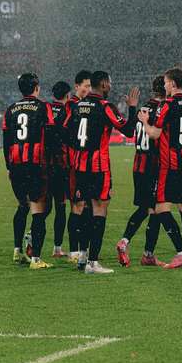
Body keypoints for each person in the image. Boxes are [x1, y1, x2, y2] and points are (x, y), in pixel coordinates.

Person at [64, 70, 139, 274]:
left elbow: (65, 132)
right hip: (98, 168)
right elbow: (130, 130)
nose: (111, 86)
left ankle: (82, 256)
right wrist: (132, 108)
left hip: (79, 167)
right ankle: (93, 263)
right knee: (99, 210)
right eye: (110, 83)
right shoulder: (105, 107)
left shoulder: (77, 105)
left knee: (83, 210)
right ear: (104, 84)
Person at [138, 67, 182, 269]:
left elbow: (154, 134)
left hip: (170, 165)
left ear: (172, 84)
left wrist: (144, 122)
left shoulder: (167, 105)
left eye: (166, 82)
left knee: (161, 208)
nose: (165, 86)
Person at [2, 73, 56, 269]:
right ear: (36, 87)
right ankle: (36, 259)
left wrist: (8, 166)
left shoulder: (10, 110)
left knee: (22, 206)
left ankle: (17, 251)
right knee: (38, 210)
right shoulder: (43, 107)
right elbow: (50, 135)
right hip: (35, 165)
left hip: (16, 165)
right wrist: (50, 163)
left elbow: (6, 141)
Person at [116, 75, 166, 267]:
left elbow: (129, 131)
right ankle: (148, 254)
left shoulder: (143, 108)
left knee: (145, 208)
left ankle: (125, 241)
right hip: (154, 165)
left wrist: (132, 107)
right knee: (155, 210)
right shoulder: (162, 110)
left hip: (138, 165)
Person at [63, 70, 92, 267]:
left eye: (90, 86)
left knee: (87, 205)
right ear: (77, 86)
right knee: (77, 206)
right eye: (85, 86)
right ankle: (74, 250)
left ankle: (83, 248)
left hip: (88, 163)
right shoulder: (71, 106)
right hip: (74, 163)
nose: (88, 89)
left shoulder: (86, 106)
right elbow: (63, 131)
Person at [46, 81, 72, 258]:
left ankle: (31, 239)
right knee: (61, 207)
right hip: (61, 165)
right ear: (68, 95)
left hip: (43, 165)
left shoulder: (44, 108)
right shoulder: (67, 111)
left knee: (41, 207)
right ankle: (57, 248)